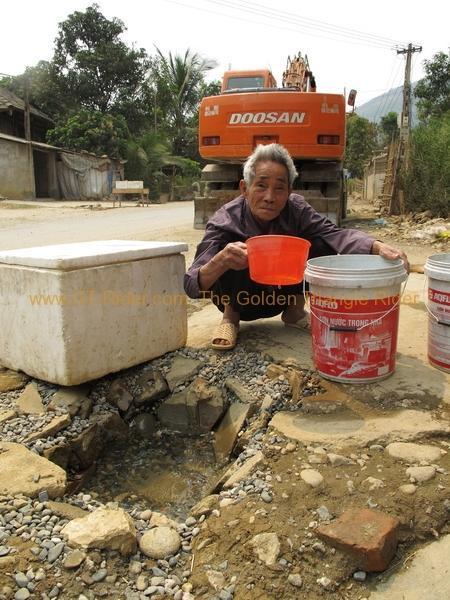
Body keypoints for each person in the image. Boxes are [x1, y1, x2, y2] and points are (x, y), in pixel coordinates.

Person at [184, 143, 408, 350]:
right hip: (243, 301)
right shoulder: (225, 219)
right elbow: (192, 284)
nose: (270, 197)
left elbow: (334, 234)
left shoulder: (297, 209)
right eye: (261, 186)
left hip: (283, 295)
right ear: (244, 188)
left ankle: (294, 312)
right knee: (229, 251)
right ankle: (230, 318)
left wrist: (377, 246)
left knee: (322, 243)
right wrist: (221, 261)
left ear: (290, 191)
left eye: (279, 188)